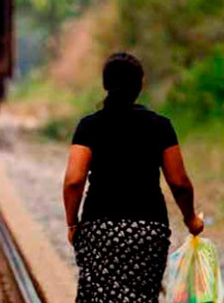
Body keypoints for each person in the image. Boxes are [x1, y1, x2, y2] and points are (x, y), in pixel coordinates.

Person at [62, 52, 204, 303]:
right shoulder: (160, 126)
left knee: (98, 297)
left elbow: (74, 180)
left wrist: (73, 224)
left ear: (105, 85)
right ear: (140, 85)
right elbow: (179, 183)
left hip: (99, 229)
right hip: (148, 230)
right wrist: (191, 219)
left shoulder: (89, 126)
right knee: (142, 297)